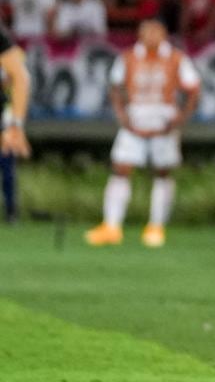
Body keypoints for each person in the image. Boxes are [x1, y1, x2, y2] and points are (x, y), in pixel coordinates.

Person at [86, 19, 201, 248]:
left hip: (163, 120)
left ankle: (156, 226)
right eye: (146, 31)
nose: (151, 35)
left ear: (164, 34)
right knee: (121, 168)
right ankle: (111, 226)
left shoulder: (176, 58)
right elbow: (115, 87)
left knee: (162, 172)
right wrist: (121, 114)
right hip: (135, 117)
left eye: (156, 31)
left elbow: (194, 88)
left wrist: (180, 117)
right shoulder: (128, 57)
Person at [0, 21, 31, 224]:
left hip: (4, 116)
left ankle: (11, 210)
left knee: (7, 167)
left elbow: (17, 79)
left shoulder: (12, 54)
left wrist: (16, 124)